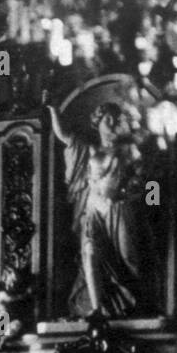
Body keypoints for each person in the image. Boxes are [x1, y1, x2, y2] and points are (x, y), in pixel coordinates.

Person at [46, 98, 144, 317]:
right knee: (90, 251)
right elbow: (64, 135)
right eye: (106, 119)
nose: (111, 123)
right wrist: (53, 108)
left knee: (128, 259)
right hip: (92, 209)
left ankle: (132, 306)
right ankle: (96, 309)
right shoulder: (88, 150)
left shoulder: (128, 149)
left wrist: (139, 197)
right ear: (97, 122)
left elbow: (145, 180)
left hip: (118, 208)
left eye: (114, 119)